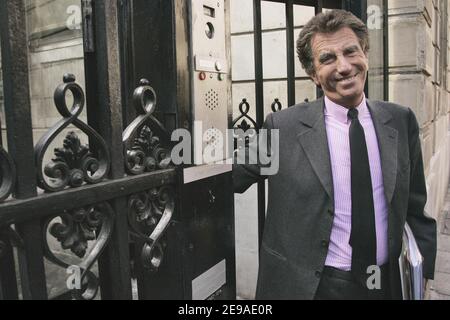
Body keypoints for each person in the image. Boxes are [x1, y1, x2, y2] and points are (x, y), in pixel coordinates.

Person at [232, 9, 437, 300]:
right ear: (314, 74)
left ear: (365, 53)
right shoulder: (284, 127)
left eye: (351, 51)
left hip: (383, 282)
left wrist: (423, 275)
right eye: (327, 58)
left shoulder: (401, 121)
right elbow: (226, 175)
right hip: (315, 287)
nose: (343, 66)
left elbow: (416, 208)